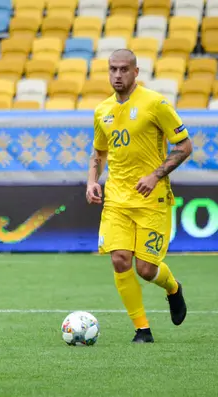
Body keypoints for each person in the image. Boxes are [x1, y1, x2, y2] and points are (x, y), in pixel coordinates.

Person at [86, 49, 193, 343]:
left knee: (146, 270)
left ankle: (173, 288)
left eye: (123, 70)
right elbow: (99, 152)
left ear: (136, 72)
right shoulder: (102, 110)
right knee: (120, 260)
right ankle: (142, 330)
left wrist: (155, 175)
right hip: (117, 199)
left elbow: (184, 146)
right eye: (112, 69)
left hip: (151, 198)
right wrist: (92, 182)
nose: (117, 75)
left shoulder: (155, 103)